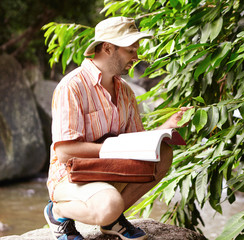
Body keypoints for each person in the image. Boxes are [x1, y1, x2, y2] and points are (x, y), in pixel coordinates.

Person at [44, 16, 190, 240]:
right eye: (130, 50)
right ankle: (58, 212)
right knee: (110, 204)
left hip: (109, 171)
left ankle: (112, 219)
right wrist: (111, 148)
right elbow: (65, 152)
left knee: (163, 155)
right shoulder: (71, 86)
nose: (136, 57)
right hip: (72, 176)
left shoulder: (127, 92)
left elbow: (136, 144)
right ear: (107, 47)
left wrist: (166, 127)